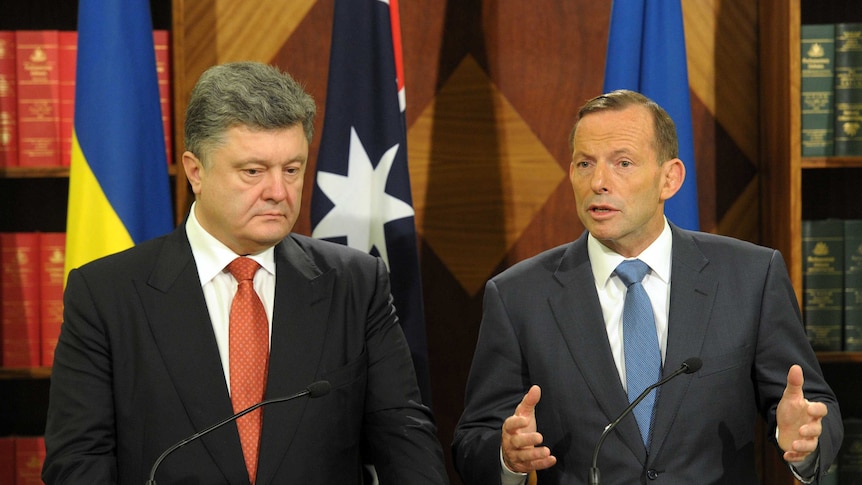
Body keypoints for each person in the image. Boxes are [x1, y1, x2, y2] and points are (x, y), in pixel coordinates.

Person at [43, 61, 449, 484]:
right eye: (253, 171)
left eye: (292, 170)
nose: (278, 191)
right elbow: (77, 462)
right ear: (195, 171)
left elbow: (406, 444)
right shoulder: (106, 294)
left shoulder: (356, 284)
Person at [452, 89, 842, 485]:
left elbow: (812, 405)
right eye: (584, 163)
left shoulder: (750, 276)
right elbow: (473, 440)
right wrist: (506, 457)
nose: (599, 182)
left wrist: (804, 440)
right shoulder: (519, 296)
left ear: (669, 179)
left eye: (622, 163)